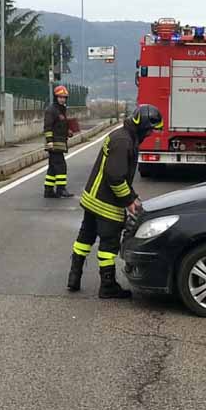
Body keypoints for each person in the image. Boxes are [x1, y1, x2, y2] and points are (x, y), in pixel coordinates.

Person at [67, 104, 164, 298]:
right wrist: (129, 201)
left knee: (85, 238)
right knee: (109, 244)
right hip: (106, 202)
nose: (151, 134)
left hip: (93, 199)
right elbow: (115, 176)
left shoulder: (124, 136)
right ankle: (107, 286)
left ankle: (74, 277)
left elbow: (119, 175)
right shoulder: (124, 141)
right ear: (143, 125)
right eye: (151, 129)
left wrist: (133, 195)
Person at [43, 85, 74, 198]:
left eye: (64, 97)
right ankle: (61, 189)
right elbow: (48, 127)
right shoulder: (51, 110)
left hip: (60, 143)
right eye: (60, 97)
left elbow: (61, 126)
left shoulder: (61, 110)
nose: (62, 99)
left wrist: (68, 132)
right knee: (61, 166)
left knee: (52, 167)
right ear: (56, 97)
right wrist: (49, 141)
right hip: (54, 144)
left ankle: (48, 190)